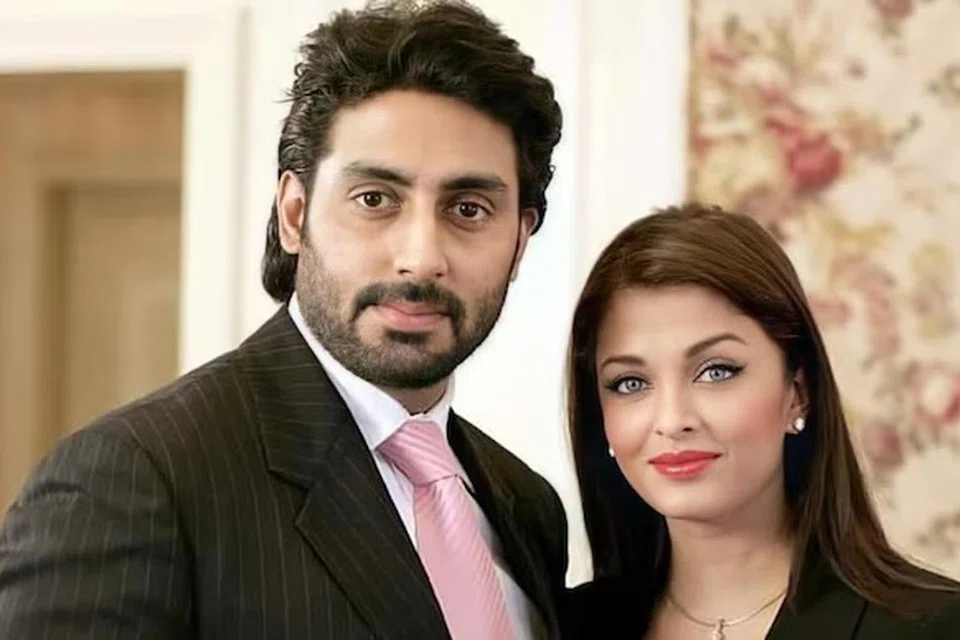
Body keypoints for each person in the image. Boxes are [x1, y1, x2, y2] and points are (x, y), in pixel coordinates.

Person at [0, 2, 569, 638]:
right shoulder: (136, 480)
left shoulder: (528, 508)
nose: (421, 257)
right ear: (294, 215)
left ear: (520, 241)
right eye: (375, 199)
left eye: (467, 209)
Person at [561, 203, 960, 639]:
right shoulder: (565, 628)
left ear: (798, 392)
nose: (673, 420)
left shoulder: (935, 626)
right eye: (630, 383)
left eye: (717, 371)